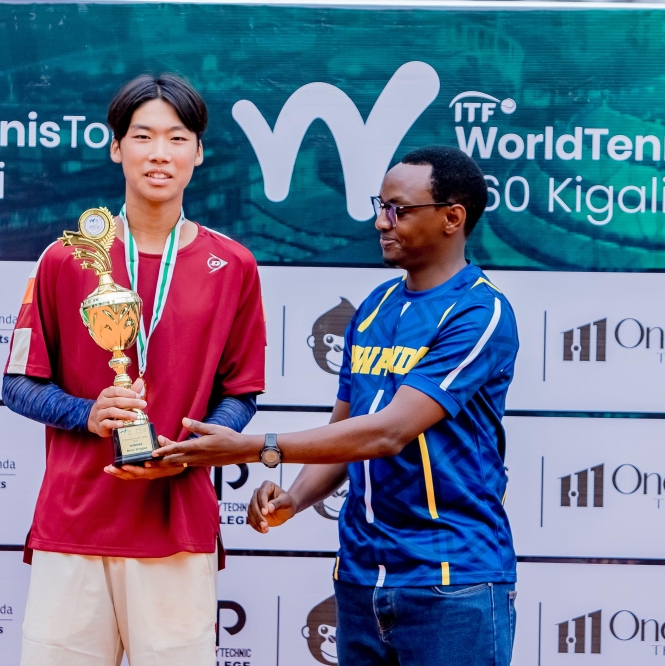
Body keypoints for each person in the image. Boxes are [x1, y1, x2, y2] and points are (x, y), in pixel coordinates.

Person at [152, 146, 519, 666]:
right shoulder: (373, 308)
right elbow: (347, 435)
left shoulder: (481, 312)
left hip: (452, 582)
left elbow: (389, 432)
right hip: (360, 578)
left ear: (452, 218)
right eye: (380, 205)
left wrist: (255, 447)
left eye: (398, 209)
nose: (380, 221)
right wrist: (295, 499)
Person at [2, 73, 266, 666]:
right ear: (116, 146)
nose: (159, 153)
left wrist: (194, 443)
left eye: (177, 138)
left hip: (177, 525)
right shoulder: (68, 257)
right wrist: (86, 413)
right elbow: (17, 382)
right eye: (142, 136)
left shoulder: (235, 265)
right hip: (74, 523)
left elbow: (242, 392)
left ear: (199, 152)